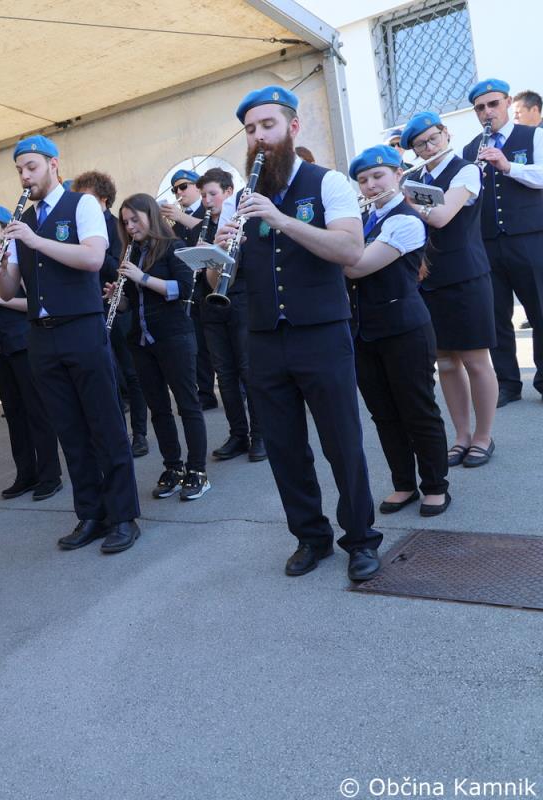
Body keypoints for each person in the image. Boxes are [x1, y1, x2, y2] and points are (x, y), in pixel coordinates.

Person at [214, 86, 381, 581]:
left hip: (322, 333)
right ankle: (310, 537)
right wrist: (218, 254)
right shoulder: (237, 199)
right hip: (265, 337)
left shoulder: (327, 182)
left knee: (342, 442)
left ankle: (361, 539)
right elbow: (220, 277)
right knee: (284, 448)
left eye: (267, 126)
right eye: (250, 130)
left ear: (292, 127)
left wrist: (281, 220)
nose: (259, 137)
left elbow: (350, 251)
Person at [0, 134, 141, 553]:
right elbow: (7, 291)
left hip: (82, 327)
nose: (25, 176)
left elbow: (93, 258)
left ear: (53, 164)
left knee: (105, 424)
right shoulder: (22, 221)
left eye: (32, 167)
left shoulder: (82, 205)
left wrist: (35, 241)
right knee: (70, 430)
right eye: (20, 170)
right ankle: (91, 513)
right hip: (42, 334)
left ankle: (123, 516)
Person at [345, 145, 450, 516]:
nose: (371, 185)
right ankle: (403, 483)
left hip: (405, 331)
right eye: (363, 180)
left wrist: (325, 246)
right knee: (384, 414)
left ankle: (435, 485)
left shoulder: (406, 220)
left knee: (418, 410)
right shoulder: (362, 219)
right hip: (364, 333)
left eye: (378, 176)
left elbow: (356, 266)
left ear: (398, 176)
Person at [403, 111, 499, 468]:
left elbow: (442, 216)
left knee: (475, 360)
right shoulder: (414, 178)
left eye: (433, 139)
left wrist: (405, 197)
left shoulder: (466, 170)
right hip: (428, 280)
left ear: (446, 134)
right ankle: (461, 435)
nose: (429, 147)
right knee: (445, 361)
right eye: (420, 145)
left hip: (465, 277)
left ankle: (484, 436)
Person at [114, 194, 209, 501]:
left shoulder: (173, 247)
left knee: (188, 404)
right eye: (125, 222)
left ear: (151, 216)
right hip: (142, 341)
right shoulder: (131, 252)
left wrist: (141, 277)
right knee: (159, 410)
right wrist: (117, 296)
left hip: (174, 336)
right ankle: (173, 467)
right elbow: (131, 303)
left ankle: (198, 471)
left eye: (135, 220)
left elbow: (183, 289)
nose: (130, 227)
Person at [461, 79, 543, 406]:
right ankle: (507, 383)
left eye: (493, 104)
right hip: (487, 242)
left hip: (529, 238)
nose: (487, 112)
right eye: (480, 108)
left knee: (539, 309)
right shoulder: (470, 149)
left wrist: (509, 167)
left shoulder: (532, 135)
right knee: (496, 316)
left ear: (507, 103)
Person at [0, 205, 63, 501]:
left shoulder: (18, 255)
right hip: (1, 344)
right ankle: (26, 473)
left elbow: (35, 303)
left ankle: (50, 475)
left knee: (36, 410)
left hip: (23, 341)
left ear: (5, 230)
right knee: (13, 413)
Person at [72, 170, 149, 458]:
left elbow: (119, 265)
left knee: (131, 372)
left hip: (119, 306)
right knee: (107, 374)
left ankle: (140, 433)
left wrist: (91, 252)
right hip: (90, 307)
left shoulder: (117, 226)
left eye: (87, 198)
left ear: (104, 199)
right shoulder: (79, 228)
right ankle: (117, 433)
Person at [197, 168, 266, 463]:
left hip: (241, 298)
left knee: (248, 369)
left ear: (228, 192)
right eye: (203, 195)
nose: (207, 200)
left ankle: (260, 434)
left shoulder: (243, 215)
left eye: (212, 194)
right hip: (212, 303)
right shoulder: (201, 226)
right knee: (224, 374)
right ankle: (238, 433)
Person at [161, 170, 218, 410]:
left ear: (197, 186)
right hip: (191, 291)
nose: (179, 192)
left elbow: (211, 235)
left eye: (183, 186)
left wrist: (180, 217)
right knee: (198, 346)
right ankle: (205, 393)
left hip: (211, 286)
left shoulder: (208, 211)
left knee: (219, 346)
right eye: (175, 189)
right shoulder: (176, 222)